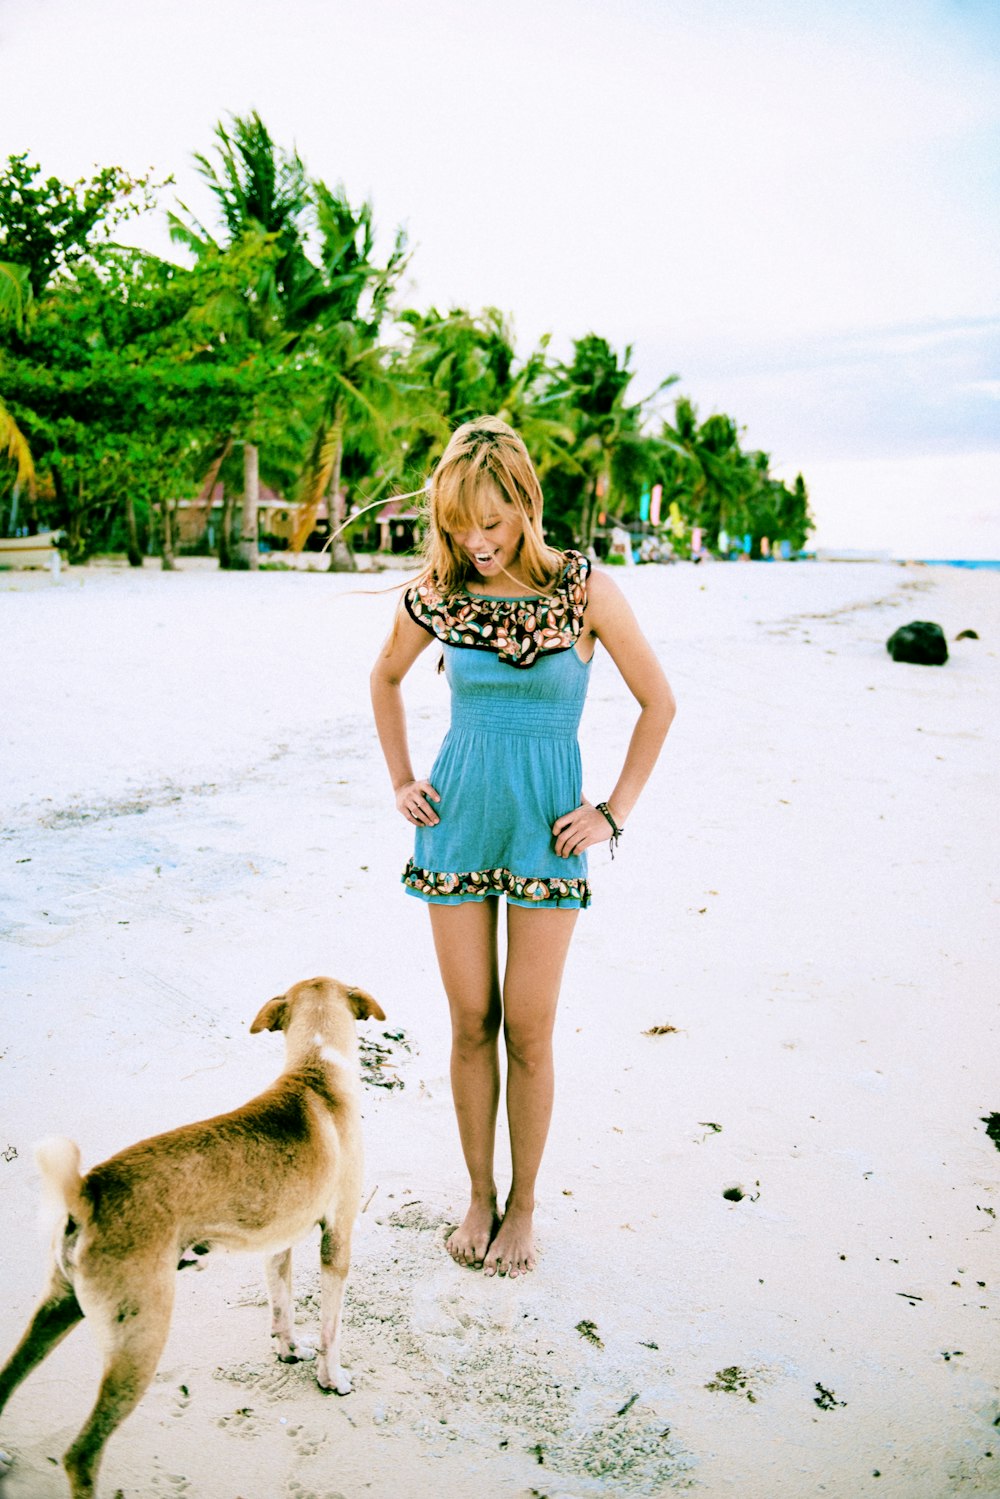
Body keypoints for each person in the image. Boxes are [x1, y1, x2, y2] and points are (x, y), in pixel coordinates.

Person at [370, 416, 675, 1278]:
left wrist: (612, 813)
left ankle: (525, 1203)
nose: (476, 541)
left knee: (530, 1029)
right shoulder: (441, 590)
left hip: (548, 830)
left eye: (492, 523)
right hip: (455, 827)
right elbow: (384, 677)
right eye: (458, 523)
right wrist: (401, 779)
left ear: (527, 506)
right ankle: (477, 1192)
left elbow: (660, 703)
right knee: (471, 1023)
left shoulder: (584, 590)